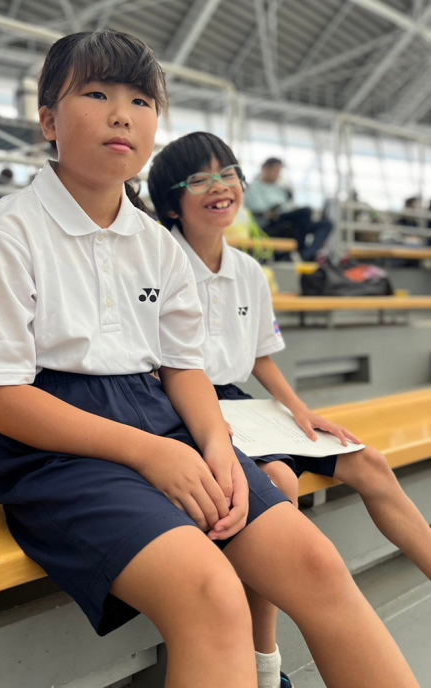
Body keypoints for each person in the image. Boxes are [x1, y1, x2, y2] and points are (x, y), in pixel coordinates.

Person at [0, 31, 420, 688]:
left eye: (141, 101)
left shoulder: (157, 246)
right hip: (54, 444)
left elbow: (182, 369)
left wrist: (216, 445)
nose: (122, 115)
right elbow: (1, 398)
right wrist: (151, 454)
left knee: (317, 566)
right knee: (211, 594)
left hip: (162, 416)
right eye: (97, 94)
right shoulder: (7, 235)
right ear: (49, 121)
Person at [148, 131, 429, 686]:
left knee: (369, 462)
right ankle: (265, 663)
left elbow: (261, 358)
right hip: (184, 408)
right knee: (277, 480)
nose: (220, 187)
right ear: (172, 203)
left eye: (228, 174)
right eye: (200, 179)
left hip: (244, 405)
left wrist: (299, 410)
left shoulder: (249, 270)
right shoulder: (157, 264)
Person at [244, 157, 333, 261]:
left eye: (279, 172)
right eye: (276, 171)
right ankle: (300, 250)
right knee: (305, 212)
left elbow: (289, 206)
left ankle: (306, 254)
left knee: (326, 224)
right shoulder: (253, 188)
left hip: (291, 223)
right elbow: (261, 212)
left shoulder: (280, 189)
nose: (278, 175)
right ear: (266, 169)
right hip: (270, 225)